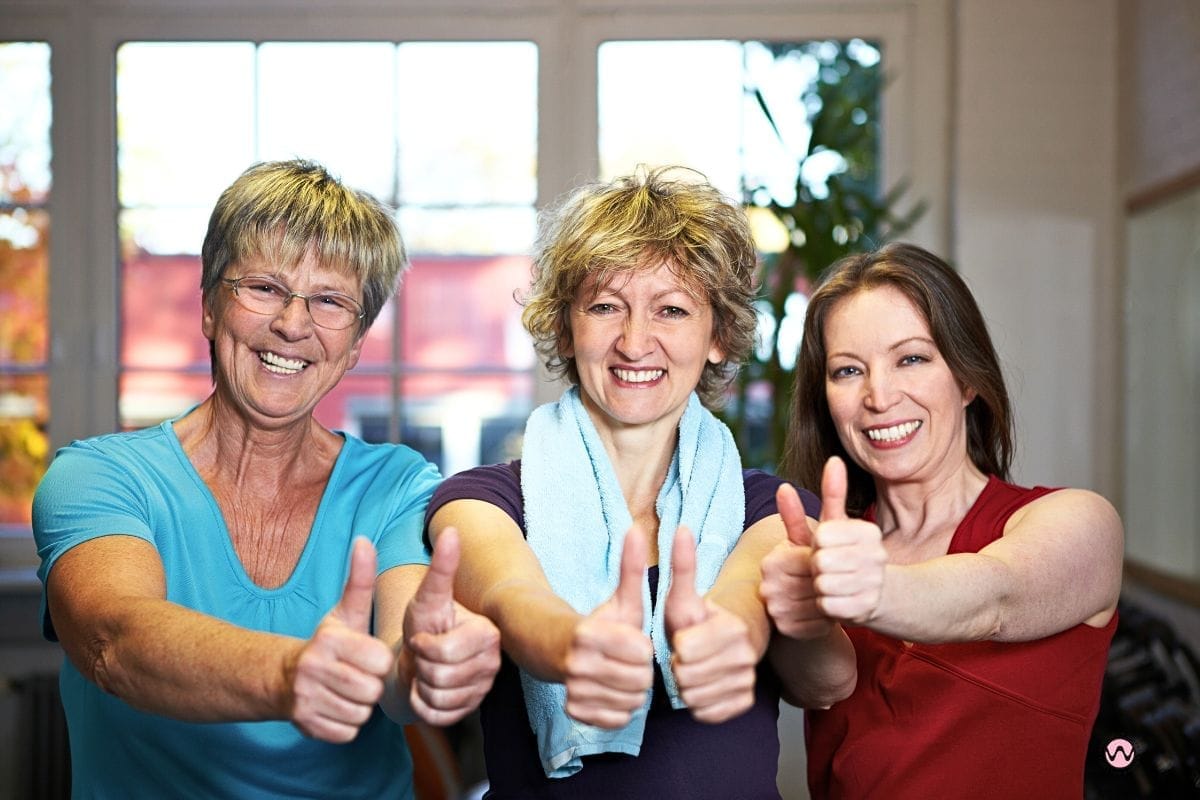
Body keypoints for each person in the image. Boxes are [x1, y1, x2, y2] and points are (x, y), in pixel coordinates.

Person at [32, 159, 501, 799]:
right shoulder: (98, 477)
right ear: (207, 306)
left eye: (331, 301)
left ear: (357, 344)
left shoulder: (396, 486)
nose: (293, 324)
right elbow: (116, 642)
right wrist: (295, 673)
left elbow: (398, 672)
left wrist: (426, 667)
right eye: (264, 287)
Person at [426, 166, 857, 799]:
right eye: (605, 306)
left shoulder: (771, 510)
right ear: (567, 326)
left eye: (672, 310)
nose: (634, 342)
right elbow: (513, 598)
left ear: (719, 336)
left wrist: (727, 636)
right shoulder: (481, 502)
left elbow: (770, 624)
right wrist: (577, 646)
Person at [762, 242, 1123, 798]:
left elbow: (995, 597)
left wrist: (873, 590)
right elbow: (819, 688)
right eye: (848, 370)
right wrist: (805, 618)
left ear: (968, 379)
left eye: (912, 358)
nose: (879, 396)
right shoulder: (821, 558)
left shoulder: (1079, 522)